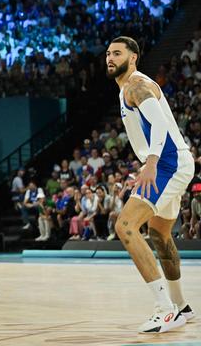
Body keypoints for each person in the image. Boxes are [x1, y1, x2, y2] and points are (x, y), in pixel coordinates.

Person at [107, 36, 194, 333]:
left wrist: (152, 162)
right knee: (158, 233)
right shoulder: (125, 90)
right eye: (108, 53)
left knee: (125, 226)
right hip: (172, 162)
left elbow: (157, 122)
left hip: (168, 163)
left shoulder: (137, 85)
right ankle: (181, 306)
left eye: (117, 53)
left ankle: (165, 310)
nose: (110, 57)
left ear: (133, 58)